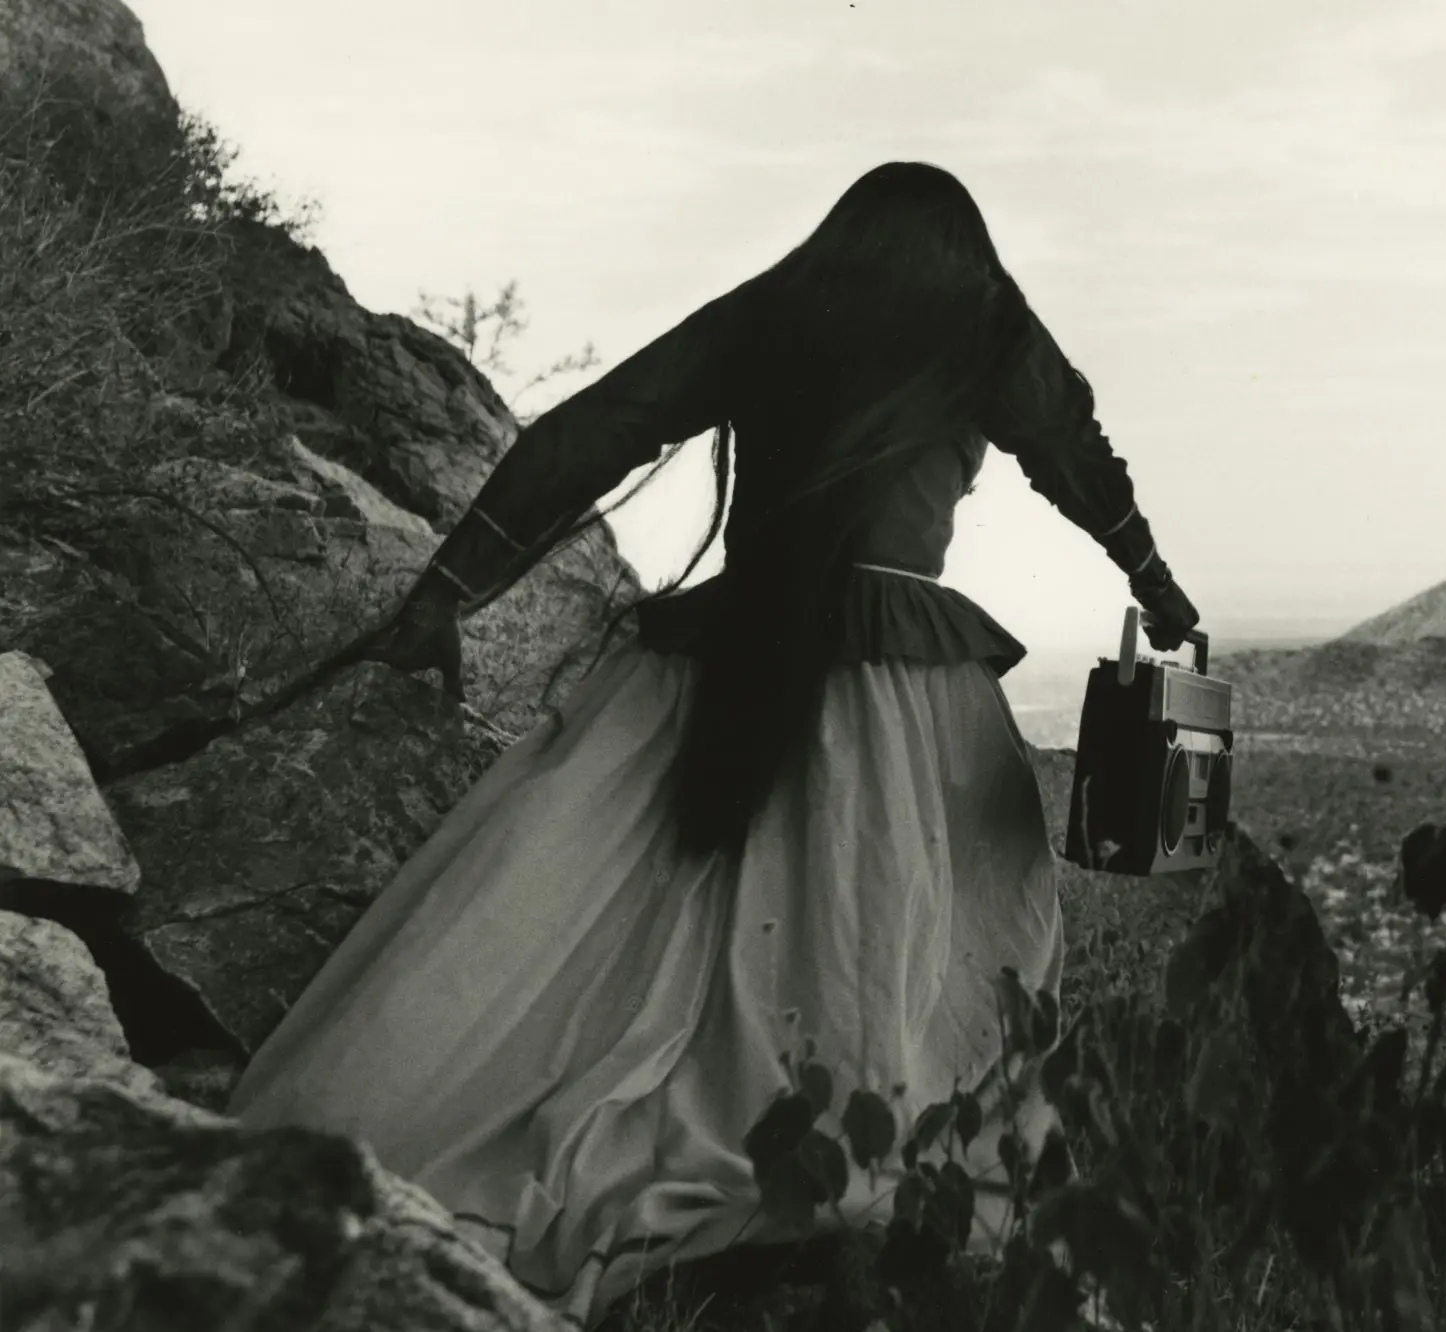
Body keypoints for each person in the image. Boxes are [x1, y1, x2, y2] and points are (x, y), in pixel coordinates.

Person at [224, 161, 1200, 1326]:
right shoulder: (985, 325)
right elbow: (1077, 458)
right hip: (902, 689)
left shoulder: (775, 309)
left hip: (720, 658)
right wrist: (1157, 585)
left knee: (616, 914)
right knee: (915, 934)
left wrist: (450, 589)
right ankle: (845, 1165)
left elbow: (600, 430)